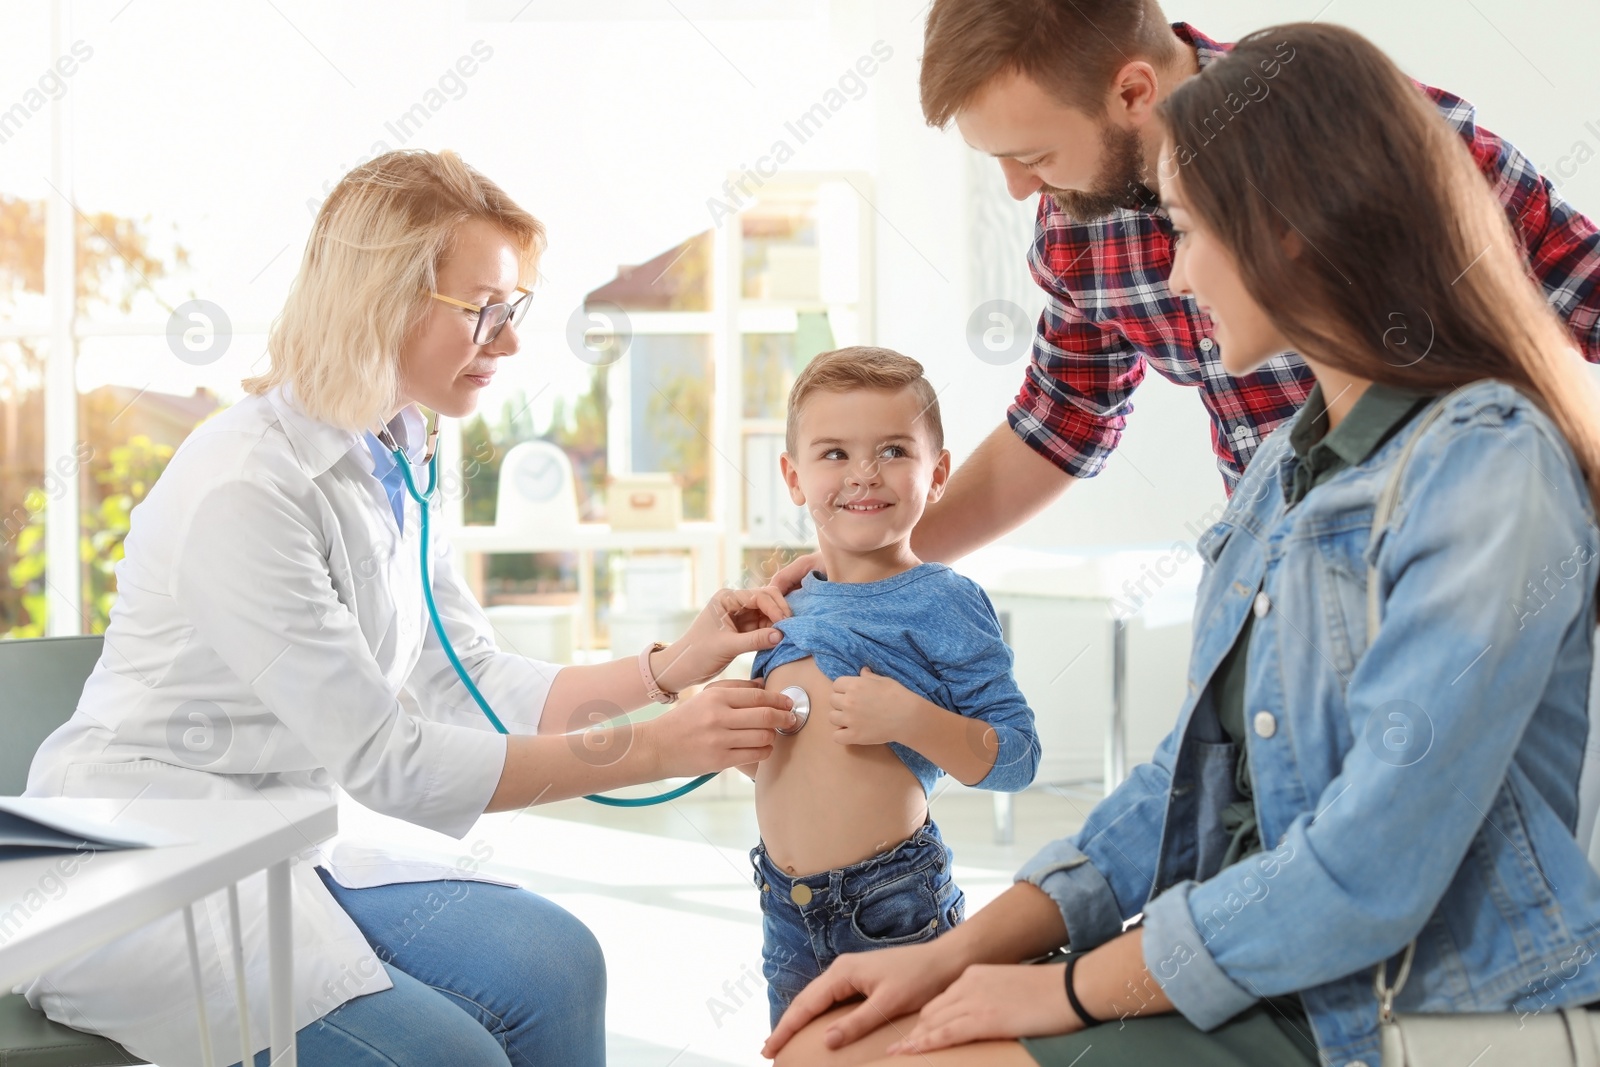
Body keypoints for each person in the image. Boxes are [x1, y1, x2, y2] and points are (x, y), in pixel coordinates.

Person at [761, 22, 1600, 1067]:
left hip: (1393, 1000)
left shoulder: (1482, 464)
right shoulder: (1276, 474)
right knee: (828, 1044)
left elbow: (1362, 870)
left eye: (1191, 233)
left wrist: (1059, 987)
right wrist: (956, 954)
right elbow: (1185, 777)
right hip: (1269, 949)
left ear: (1289, 231)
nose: (1178, 275)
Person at [17, 148, 799, 1067]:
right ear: (383, 298)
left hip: (279, 839)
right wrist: (660, 747)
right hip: (137, 861)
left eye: (513, 311)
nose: (507, 342)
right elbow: (389, 761)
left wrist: (669, 668)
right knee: (445, 1055)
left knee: (558, 962)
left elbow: (463, 676)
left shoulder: (395, 448)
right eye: (487, 312)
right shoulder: (244, 487)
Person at [769, 0, 1600, 595]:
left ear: (1133, 93)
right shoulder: (1077, 223)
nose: (1022, 190)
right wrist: (864, 566)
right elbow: (1063, 420)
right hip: (1276, 581)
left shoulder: (1386, 141)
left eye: (1032, 152)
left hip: (1453, 571)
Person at [742, 346, 1041, 1027]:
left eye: (894, 451)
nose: (864, 474)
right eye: (835, 454)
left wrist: (910, 717)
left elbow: (1018, 756)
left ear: (937, 474)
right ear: (793, 477)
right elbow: (785, 766)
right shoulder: (788, 601)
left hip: (891, 905)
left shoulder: (944, 601)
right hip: (782, 903)